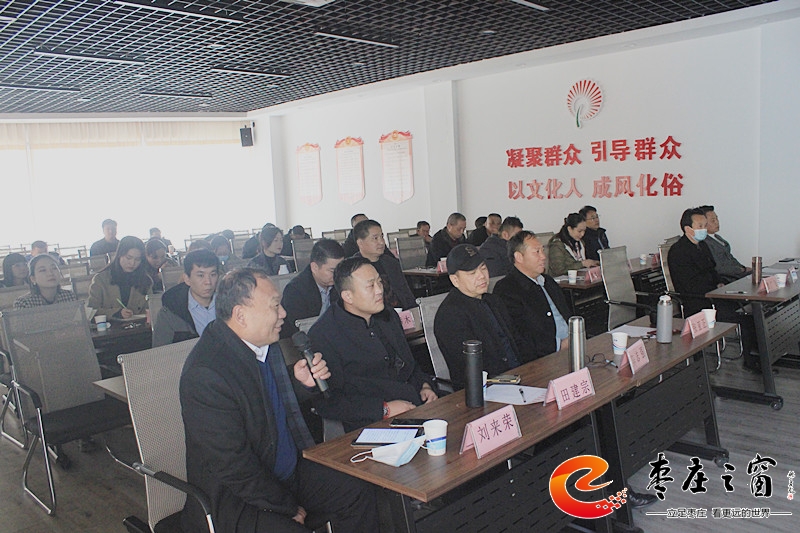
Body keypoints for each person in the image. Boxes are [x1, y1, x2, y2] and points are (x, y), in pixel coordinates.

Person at [180, 268, 378, 532]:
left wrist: (300, 384)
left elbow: (264, 406)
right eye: (275, 306)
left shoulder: (264, 345)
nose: (284, 313)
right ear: (241, 315)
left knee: (357, 490)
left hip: (286, 470)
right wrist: (284, 505)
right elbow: (233, 466)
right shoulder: (206, 374)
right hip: (241, 496)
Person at [308, 257, 438, 432]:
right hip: (370, 424)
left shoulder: (388, 316)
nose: (379, 290)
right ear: (348, 296)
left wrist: (424, 385)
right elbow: (329, 402)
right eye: (370, 286)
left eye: (379, 282)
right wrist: (383, 409)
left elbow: (409, 364)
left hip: (414, 406)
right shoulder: (324, 334)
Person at [668, 208, 757, 369]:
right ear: (688, 229)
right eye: (700, 226)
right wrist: (715, 288)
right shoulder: (678, 251)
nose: (704, 229)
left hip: (713, 295)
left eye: (704, 225)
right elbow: (690, 284)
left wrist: (720, 283)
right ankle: (750, 361)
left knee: (749, 310)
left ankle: (757, 356)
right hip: (698, 301)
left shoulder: (702, 245)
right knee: (743, 317)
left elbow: (712, 270)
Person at [434, 244, 522, 390]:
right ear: (455, 280)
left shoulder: (493, 300)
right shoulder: (450, 316)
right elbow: (472, 366)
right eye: (472, 273)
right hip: (483, 390)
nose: (482, 276)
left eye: (483, 268)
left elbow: (516, 341)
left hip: (516, 377)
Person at [494, 231, 571, 359]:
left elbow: (567, 314)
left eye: (542, 250)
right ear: (519, 257)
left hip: (572, 345)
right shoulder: (506, 290)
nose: (543, 257)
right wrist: (558, 345)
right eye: (537, 252)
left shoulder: (548, 281)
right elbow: (521, 337)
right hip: (545, 358)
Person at [153, 249, 220, 347]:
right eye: (201, 275)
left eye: (213, 275)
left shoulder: (231, 304)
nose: (208, 282)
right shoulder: (170, 312)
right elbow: (160, 353)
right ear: (187, 279)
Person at [280, 239, 344, 339]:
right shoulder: (295, 291)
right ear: (314, 267)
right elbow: (302, 330)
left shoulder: (340, 284)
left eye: (340, 269)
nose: (337, 275)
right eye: (332, 271)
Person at [353, 219, 417, 310]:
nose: (382, 242)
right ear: (360, 243)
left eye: (382, 237)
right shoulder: (354, 268)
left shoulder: (391, 263)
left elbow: (405, 292)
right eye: (375, 238)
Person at [88, 236, 153, 319]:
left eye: (137, 259)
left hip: (139, 325)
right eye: (128, 258)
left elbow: (150, 308)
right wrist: (116, 313)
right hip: (110, 325)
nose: (132, 263)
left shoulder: (146, 280)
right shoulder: (101, 279)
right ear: (119, 255)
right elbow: (91, 311)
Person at [698, 205, 750, 283]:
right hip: (727, 278)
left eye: (717, 218)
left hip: (737, 273)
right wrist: (741, 270)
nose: (717, 222)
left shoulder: (717, 237)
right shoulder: (705, 243)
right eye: (713, 220)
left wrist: (743, 268)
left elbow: (730, 257)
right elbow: (718, 268)